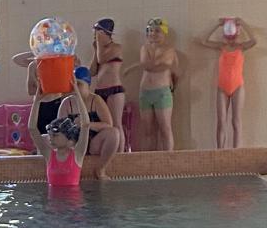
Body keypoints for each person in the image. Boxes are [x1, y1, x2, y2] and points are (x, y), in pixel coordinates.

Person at [199, 17, 257, 149]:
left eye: (233, 36)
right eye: (228, 37)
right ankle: (220, 151)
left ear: (238, 34)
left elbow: (254, 41)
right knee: (221, 122)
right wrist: (217, 24)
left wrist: (243, 23)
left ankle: (236, 152)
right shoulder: (222, 47)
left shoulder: (241, 47)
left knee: (236, 121)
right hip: (222, 88)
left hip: (238, 87)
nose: (231, 40)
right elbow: (203, 40)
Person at [126, 18, 179, 151]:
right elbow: (147, 65)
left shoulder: (170, 50)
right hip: (145, 93)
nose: (152, 34)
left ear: (164, 33)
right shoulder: (145, 48)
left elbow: (160, 67)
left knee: (165, 128)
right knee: (148, 131)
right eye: (150, 31)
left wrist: (136, 66)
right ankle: (150, 159)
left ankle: (168, 158)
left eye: (157, 31)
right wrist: (147, 64)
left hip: (162, 92)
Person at [59, 66, 120, 179]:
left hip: (93, 144)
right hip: (74, 145)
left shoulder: (96, 100)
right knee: (51, 138)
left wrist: (87, 125)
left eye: (79, 84)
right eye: (73, 84)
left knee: (114, 133)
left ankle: (101, 168)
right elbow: (60, 130)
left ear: (89, 86)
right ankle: (68, 171)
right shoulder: (67, 103)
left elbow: (108, 125)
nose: (75, 88)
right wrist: (72, 127)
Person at [29, 84, 90, 188]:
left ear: (70, 140)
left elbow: (85, 125)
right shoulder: (49, 154)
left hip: (72, 199)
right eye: (51, 135)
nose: (51, 138)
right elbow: (32, 128)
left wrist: (77, 95)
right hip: (52, 199)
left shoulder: (78, 154)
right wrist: (37, 101)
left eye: (55, 135)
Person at [12, 46, 74, 136]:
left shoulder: (59, 62)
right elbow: (30, 91)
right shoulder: (34, 65)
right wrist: (36, 52)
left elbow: (67, 87)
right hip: (41, 105)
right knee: (41, 136)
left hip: (56, 103)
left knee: (59, 135)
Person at [89, 18, 126, 151]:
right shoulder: (99, 50)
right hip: (99, 91)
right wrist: (95, 50)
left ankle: (120, 154)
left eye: (98, 33)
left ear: (105, 33)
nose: (96, 36)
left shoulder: (116, 48)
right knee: (105, 125)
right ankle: (108, 151)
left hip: (114, 90)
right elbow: (92, 71)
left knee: (116, 124)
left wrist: (98, 44)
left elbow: (102, 59)